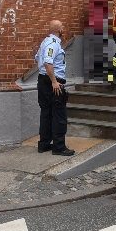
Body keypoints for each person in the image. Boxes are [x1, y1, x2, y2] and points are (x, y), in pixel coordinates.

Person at [35, 20, 75, 156]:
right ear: (59, 30)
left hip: (42, 80)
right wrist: (54, 81)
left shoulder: (44, 42)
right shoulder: (53, 44)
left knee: (46, 114)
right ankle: (59, 147)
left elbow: (37, 58)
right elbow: (47, 62)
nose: (64, 28)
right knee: (59, 115)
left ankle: (44, 144)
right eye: (63, 26)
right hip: (53, 82)